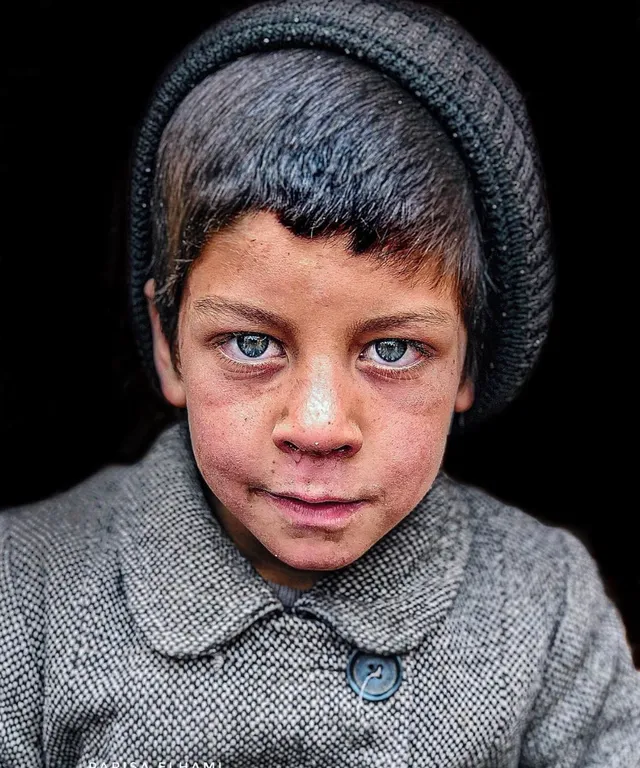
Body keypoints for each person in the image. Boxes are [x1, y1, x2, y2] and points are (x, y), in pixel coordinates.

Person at [1, 1, 638, 766]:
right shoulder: (25, 595)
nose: (319, 424)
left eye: (395, 351)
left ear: (468, 360)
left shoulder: (545, 608)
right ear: (170, 347)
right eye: (249, 343)